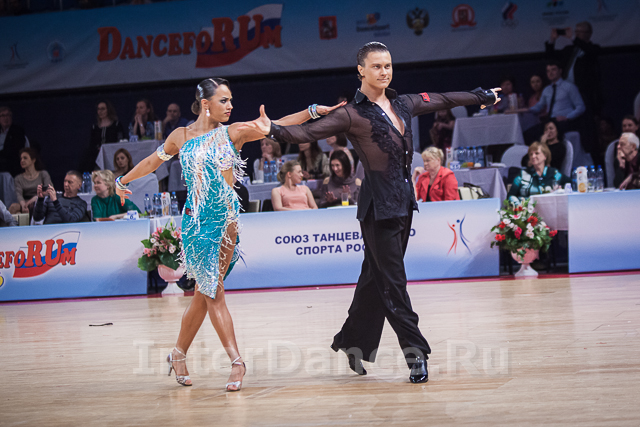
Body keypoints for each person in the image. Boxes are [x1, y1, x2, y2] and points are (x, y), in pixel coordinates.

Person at [249, 41, 500, 383]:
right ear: (361, 71)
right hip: (377, 210)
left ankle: (352, 343)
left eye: (388, 65)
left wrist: (480, 96)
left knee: (374, 279)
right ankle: (416, 354)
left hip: (403, 203)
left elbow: (442, 98)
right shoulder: (351, 113)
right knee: (394, 282)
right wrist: (272, 129)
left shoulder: (403, 103)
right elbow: (307, 131)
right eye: (377, 66)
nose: (384, 71)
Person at [115, 78, 343, 390]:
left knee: (207, 292)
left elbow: (279, 124)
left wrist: (313, 111)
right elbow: (153, 161)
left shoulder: (233, 132)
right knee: (211, 291)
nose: (230, 105)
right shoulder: (180, 136)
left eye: (231, 100)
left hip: (226, 223)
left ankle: (178, 354)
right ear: (205, 103)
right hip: (196, 223)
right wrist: (122, 180)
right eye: (224, 100)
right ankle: (235, 361)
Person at [545, 21, 602, 116]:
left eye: (580, 32)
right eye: (576, 32)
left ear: (588, 34)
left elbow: (588, 50)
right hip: (567, 91)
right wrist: (552, 40)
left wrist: (573, 38)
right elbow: (550, 56)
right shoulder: (569, 50)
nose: (577, 34)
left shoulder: (594, 48)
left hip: (583, 91)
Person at [525, 61, 586, 146]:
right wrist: (524, 110)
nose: (550, 73)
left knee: (553, 132)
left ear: (560, 71)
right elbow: (539, 106)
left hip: (565, 120)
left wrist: (567, 117)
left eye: (553, 70)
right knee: (528, 133)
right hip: (551, 120)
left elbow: (581, 106)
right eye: (548, 71)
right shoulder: (547, 90)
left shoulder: (569, 87)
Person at [82, 100, 126, 172]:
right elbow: (92, 144)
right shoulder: (94, 127)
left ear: (108, 110)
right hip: (97, 156)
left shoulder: (116, 125)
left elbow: (121, 140)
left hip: (112, 154)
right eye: (98, 109)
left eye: (103, 109)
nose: (100, 111)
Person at [8, 148, 51, 215]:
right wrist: (24, 206)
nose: (22, 160)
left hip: (40, 201)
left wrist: (35, 199)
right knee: (13, 207)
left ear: (33, 160)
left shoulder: (43, 174)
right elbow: (19, 195)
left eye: (25, 158)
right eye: (21, 159)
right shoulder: (18, 178)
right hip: (25, 204)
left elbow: (49, 190)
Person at [0, 106, 29, 177]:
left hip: (11, 164)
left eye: (8, 115)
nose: (5, 118)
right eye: (3, 115)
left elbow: (16, 150)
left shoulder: (18, 131)